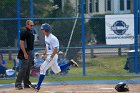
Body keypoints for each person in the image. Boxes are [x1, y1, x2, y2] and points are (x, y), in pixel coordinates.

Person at [15, 20, 35, 90]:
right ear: (27, 25)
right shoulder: (24, 32)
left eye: (32, 25)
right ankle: (18, 84)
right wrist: (25, 53)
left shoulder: (30, 32)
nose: (32, 26)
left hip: (30, 52)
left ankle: (26, 83)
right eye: (30, 25)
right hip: (25, 51)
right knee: (23, 68)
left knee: (28, 68)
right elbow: (21, 43)